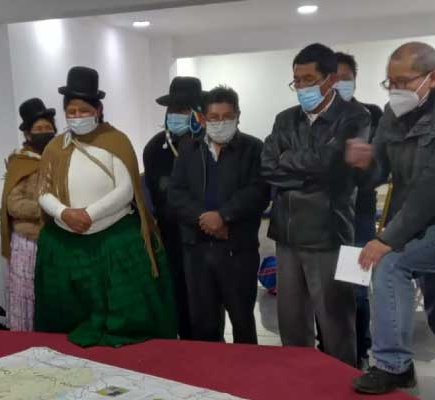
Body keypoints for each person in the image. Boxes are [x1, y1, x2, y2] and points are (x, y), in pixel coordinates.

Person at [344, 43, 435, 400]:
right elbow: (380, 173)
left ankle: (393, 364)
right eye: (389, 82)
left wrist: (387, 239)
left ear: (432, 77)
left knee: (389, 264)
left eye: (403, 81)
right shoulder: (394, 111)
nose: (395, 90)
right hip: (413, 220)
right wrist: (364, 163)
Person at [35, 66, 177, 346]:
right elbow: (43, 191)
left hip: (114, 235)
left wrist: (90, 214)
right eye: (71, 111)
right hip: (67, 236)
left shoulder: (116, 142)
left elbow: (126, 189)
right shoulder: (55, 148)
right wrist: (65, 213)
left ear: (98, 109)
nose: (77, 116)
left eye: (84, 110)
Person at [261, 43, 371, 366]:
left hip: (329, 234)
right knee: (292, 324)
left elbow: (333, 167)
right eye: (296, 80)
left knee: (336, 322)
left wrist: (287, 161)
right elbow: (267, 166)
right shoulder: (285, 119)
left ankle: (342, 383)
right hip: (286, 234)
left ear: (330, 80)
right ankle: (300, 382)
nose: (301, 87)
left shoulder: (355, 117)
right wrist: (309, 172)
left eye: (308, 80)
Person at [167, 86, 269, 344]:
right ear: (203, 118)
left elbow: (259, 191)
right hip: (197, 250)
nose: (220, 123)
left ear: (238, 116)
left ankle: (245, 370)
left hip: (238, 250)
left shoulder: (253, 148)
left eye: (227, 116)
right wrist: (204, 218)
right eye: (214, 117)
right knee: (204, 325)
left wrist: (223, 216)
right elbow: (176, 193)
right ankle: (210, 369)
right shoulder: (189, 149)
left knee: (243, 322)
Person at [144, 76, 206, 340]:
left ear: (198, 113)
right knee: (177, 298)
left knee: (206, 306)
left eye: (184, 110)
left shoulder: (210, 144)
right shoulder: (154, 149)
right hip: (171, 239)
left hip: (206, 239)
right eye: (173, 110)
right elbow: (157, 197)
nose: (177, 115)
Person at [336, 52, 384, 369]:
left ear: (355, 80)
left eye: (346, 78)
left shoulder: (371, 115)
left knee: (355, 288)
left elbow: (379, 170)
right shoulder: (313, 119)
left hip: (359, 215)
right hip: (325, 216)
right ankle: (329, 346)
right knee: (327, 288)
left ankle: (359, 351)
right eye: (334, 79)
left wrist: (364, 162)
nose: (340, 84)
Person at [0, 98, 56, 332]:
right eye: (38, 129)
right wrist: (48, 209)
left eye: (48, 128)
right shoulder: (21, 163)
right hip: (29, 242)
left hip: (56, 239)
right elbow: (13, 204)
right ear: (28, 134)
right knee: (29, 298)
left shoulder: (59, 158)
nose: (45, 133)